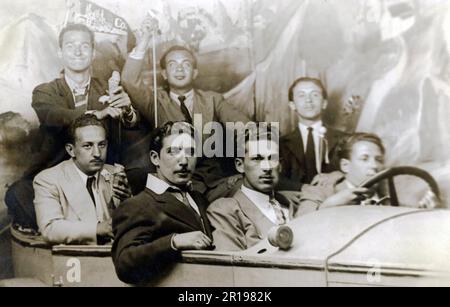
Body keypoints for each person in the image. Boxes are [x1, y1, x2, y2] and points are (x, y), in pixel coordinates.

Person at [5, 23, 137, 231]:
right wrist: (97, 114)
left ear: (93, 53)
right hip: (56, 171)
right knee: (17, 194)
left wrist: (127, 109)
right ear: (60, 52)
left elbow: (131, 125)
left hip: (101, 170)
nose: (77, 51)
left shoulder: (109, 87)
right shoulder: (44, 91)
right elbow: (53, 115)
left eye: (84, 46)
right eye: (70, 46)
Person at [121, 16, 250, 197]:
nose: (179, 70)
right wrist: (144, 42)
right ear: (164, 74)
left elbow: (244, 126)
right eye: (173, 65)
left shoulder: (212, 100)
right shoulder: (155, 102)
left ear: (195, 72)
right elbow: (129, 80)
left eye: (186, 64)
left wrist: (252, 148)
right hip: (170, 181)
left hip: (212, 182)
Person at [112, 121, 213, 285]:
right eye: (173, 152)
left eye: (191, 152)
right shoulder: (138, 205)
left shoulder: (198, 199)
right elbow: (124, 263)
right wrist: (173, 242)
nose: (184, 161)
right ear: (155, 158)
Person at [33, 114, 131, 245]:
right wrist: (97, 229)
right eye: (88, 146)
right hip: (77, 260)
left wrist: (129, 200)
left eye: (102, 145)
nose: (97, 153)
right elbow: (50, 229)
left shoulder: (114, 173)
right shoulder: (48, 180)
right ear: (71, 150)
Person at [207, 124, 292, 251]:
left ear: (280, 165)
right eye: (257, 158)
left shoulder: (288, 203)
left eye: (272, 158)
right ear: (240, 165)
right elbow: (231, 269)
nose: (267, 167)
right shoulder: (225, 211)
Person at [280, 77, 348, 191]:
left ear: (324, 103)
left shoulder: (344, 139)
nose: (308, 100)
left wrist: (339, 174)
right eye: (301, 95)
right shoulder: (280, 144)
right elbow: (276, 179)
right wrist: (303, 188)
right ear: (292, 105)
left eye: (315, 95)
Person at [298, 132, 387, 214]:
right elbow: (298, 227)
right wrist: (328, 206)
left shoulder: (391, 195)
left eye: (379, 160)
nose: (375, 165)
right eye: (364, 159)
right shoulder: (318, 192)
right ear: (345, 166)